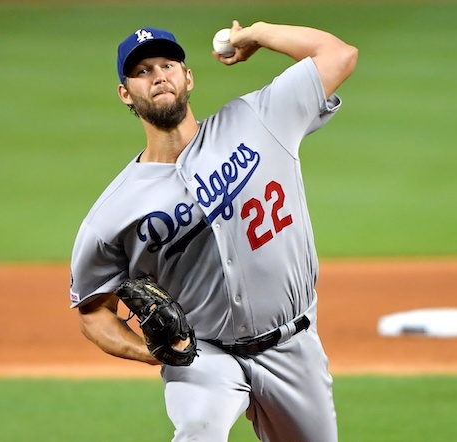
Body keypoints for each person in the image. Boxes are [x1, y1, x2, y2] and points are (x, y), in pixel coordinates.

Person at [69, 19, 358, 442]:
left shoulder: (258, 119)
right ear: (125, 92)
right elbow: (93, 311)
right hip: (204, 355)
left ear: (188, 76)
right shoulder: (113, 212)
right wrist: (151, 351)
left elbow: (338, 54)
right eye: (143, 71)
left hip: (293, 344)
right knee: (199, 427)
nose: (158, 76)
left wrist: (257, 33)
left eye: (167, 64)